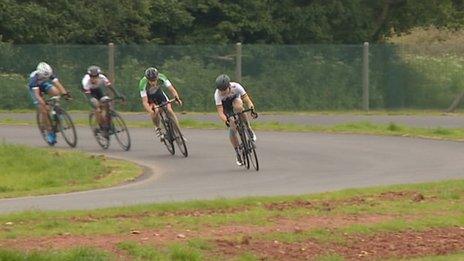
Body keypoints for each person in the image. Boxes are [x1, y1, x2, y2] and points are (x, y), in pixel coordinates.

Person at [214, 74, 258, 165]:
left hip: (235, 100)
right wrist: (226, 120)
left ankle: (248, 128)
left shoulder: (236, 86)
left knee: (239, 107)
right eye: (220, 91)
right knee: (233, 127)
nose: (222, 93)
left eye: (224, 90)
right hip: (226, 108)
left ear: (229, 86)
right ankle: (238, 151)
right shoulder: (217, 94)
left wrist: (252, 109)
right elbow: (220, 112)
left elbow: (246, 99)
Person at [28, 62, 71, 144]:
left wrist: (65, 94)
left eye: (47, 76)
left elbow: (58, 84)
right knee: (44, 110)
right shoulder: (33, 79)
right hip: (35, 90)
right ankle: (50, 132)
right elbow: (37, 95)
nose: (46, 77)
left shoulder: (49, 73)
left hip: (43, 85)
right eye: (44, 77)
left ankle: (57, 112)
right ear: (40, 73)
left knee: (57, 92)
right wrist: (43, 103)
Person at [138, 67, 183, 140]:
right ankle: (157, 128)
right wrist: (150, 111)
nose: (153, 82)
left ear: (157, 77)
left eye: (154, 80)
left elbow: (172, 89)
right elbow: (145, 102)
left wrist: (177, 98)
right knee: (155, 111)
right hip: (149, 98)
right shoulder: (143, 83)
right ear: (147, 79)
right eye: (150, 80)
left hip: (159, 94)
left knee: (169, 110)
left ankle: (179, 133)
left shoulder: (162, 77)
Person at [81, 65, 125, 138]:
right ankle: (101, 127)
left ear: (99, 75)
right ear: (89, 76)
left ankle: (109, 124)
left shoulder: (102, 77)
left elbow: (110, 87)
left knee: (107, 102)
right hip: (89, 94)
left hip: (98, 91)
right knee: (97, 108)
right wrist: (96, 106)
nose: (94, 78)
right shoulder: (86, 82)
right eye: (92, 77)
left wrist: (118, 95)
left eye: (96, 77)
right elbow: (89, 97)